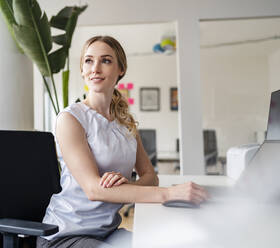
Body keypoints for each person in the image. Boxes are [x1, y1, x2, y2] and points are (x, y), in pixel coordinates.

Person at [37, 36, 209, 248]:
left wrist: (126, 185)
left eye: (106, 61)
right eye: (89, 61)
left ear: (121, 69)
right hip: (65, 235)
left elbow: (150, 177)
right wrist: (170, 194)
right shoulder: (70, 119)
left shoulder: (124, 122)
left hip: (106, 232)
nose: (95, 68)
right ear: (82, 69)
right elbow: (94, 190)